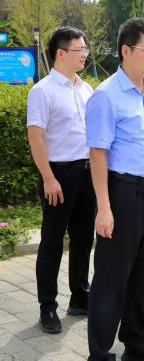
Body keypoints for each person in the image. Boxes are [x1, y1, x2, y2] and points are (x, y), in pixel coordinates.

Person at [85, 18, 144, 361]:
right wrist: (104, 207)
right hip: (121, 192)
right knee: (111, 277)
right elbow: (98, 152)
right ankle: (100, 353)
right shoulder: (106, 95)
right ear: (126, 50)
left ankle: (138, 343)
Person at [27, 26, 96, 334]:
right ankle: (48, 306)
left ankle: (80, 297)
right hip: (59, 174)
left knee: (83, 239)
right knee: (53, 242)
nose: (85, 54)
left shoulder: (86, 88)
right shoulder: (43, 91)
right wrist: (48, 178)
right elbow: (36, 137)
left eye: (85, 49)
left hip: (87, 173)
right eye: (80, 49)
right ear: (61, 53)